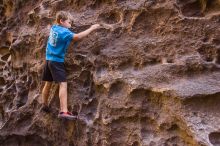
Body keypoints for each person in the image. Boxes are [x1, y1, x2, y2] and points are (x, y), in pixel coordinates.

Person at [41, 11, 101, 120]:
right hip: (56, 61)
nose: (71, 25)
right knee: (63, 84)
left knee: (48, 83)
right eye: (69, 22)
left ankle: (44, 104)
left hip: (48, 59)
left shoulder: (54, 28)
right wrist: (92, 28)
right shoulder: (65, 32)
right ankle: (64, 111)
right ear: (61, 21)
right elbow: (77, 37)